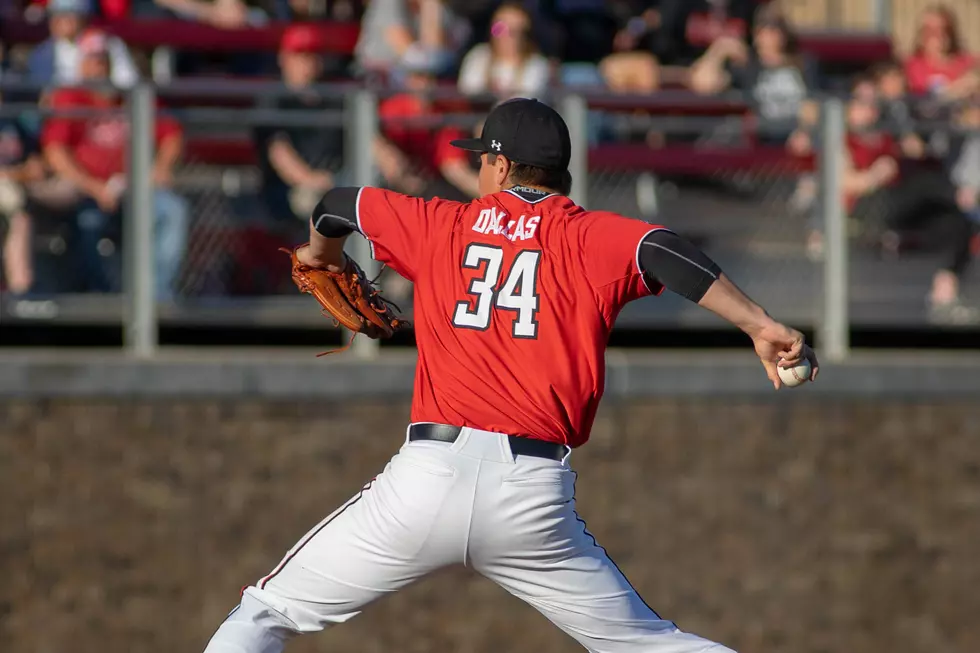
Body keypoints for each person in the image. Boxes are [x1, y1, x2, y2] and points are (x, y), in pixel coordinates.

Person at [201, 98, 819, 653]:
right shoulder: (586, 237)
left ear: (499, 167)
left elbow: (335, 205)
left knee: (268, 612)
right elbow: (663, 249)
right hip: (532, 498)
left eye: (480, 160)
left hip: (424, 481)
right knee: (651, 646)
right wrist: (757, 323)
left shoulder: (440, 224)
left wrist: (319, 257)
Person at [41, 30, 189, 298]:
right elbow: (55, 153)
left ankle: (156, 297)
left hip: (134, 187)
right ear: (82, 64)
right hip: (87, 190)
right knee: (89, 222)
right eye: (92, 60)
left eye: (102, 60)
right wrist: (95, 187)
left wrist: (160, 168)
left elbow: (172, 135)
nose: (98, 66)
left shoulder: (132, 96)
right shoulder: (70, 99)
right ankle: (101, 296)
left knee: (172, 210)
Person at [837, 80, 978, 324]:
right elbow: (843, 183)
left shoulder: (889, 138)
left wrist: (910, 150)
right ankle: (962, 196)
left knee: (956, 223)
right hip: (867, 210)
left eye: (875, 103)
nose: (871, 108)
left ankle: (943, 296)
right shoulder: (840, 139)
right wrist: (874, 175)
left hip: (901, 207)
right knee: (928, 184)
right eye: (863, 102)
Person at [254, 25, 346, 221]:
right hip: (290, 188)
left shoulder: (335, 98)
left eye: (311, 55)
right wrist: (310, 179)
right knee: (313, 203)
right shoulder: (273, 99)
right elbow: (279, 153)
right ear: (283, 58)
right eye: (299, 55)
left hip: (337, 180)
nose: (306, 63)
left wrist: (394, 168)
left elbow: (367, 139)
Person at [689, 9, 816, 145]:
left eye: (774, 28)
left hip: (797, 136)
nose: (767, 35)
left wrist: (804, 131)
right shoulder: (748, 66)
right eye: (762, 29)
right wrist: (719, 49)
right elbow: (702, 83)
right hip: (762, 138)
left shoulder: (803, 64)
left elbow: (813, 105)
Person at [375, 62, 480, 201]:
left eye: (430, 78)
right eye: (418, 77)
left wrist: (495, 197)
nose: (424, 84)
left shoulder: (448, 110)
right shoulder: (393, 108)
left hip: (434, 185)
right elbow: (385, 155)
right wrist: (402, 174)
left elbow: (454, 167)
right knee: (383, 153)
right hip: (397, 181)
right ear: (407, 80)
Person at [26, 0, 138, 89]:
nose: (62, 21)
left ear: (84, 17)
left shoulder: (108, 43)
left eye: (68, 14)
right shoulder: (41, 53)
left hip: (104, 111)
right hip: (65, 113)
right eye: (56, 14)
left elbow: (129, 82)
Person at [457, 1, 551, 100]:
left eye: (514, 31)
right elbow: (468, 92)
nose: (506, 37)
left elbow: (528, 99)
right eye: (499, 29)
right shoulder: (478, 56)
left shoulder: (536, 64)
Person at [0, 112, 45, 295]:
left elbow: (36, 169)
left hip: (19, 190)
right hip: (10, 191)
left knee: (21, 219)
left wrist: (12, 174)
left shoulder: (15, 123)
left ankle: (21, 292)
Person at [903, 4, 977, 100]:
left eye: (941, 29)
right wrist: (954, 88)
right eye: (928, 29)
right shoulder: (911, 66)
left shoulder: (966, 62)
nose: (935, 34)